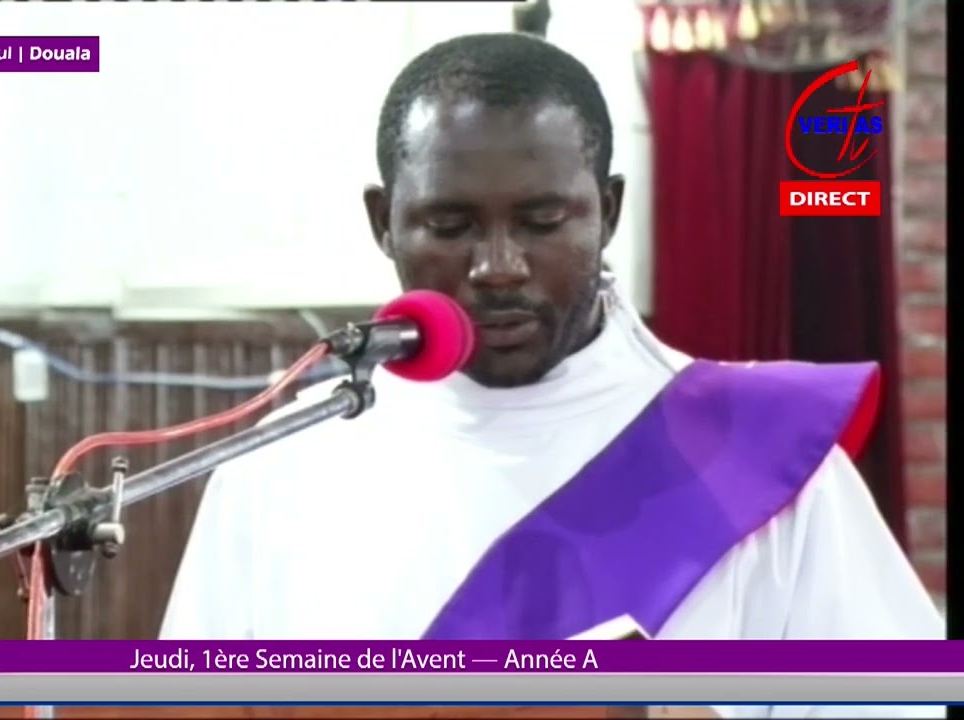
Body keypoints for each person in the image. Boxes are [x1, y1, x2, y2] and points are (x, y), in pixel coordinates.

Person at [160, 33, 944, 718]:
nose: (497, 267)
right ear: (382, 222)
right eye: (449, 224)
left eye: (542, 222)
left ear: (606, 211)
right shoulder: (280, 468)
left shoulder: (763, 457)